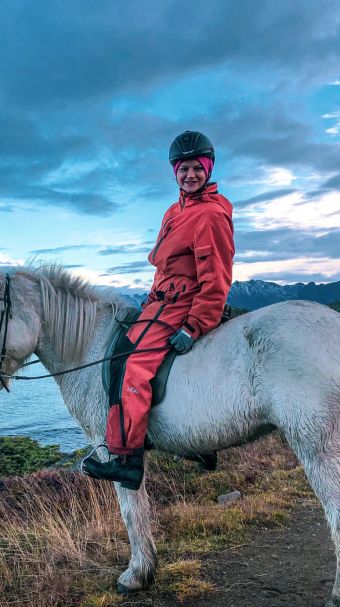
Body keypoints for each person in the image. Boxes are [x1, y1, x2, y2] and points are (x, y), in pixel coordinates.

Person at [82, 130, 235, 490]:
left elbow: (217, 278)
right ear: (174, 172)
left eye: (197, 168)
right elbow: (163, 269)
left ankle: (127, 459)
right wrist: (149, 302)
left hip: (184, 306)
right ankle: (177, 440)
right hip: (160, 303)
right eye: (183, 169)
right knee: (118, 354)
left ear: (208, 168)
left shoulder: (211, 215)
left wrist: (196, 325)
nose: (190, 175)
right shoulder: (174, 210)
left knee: (135, 367)